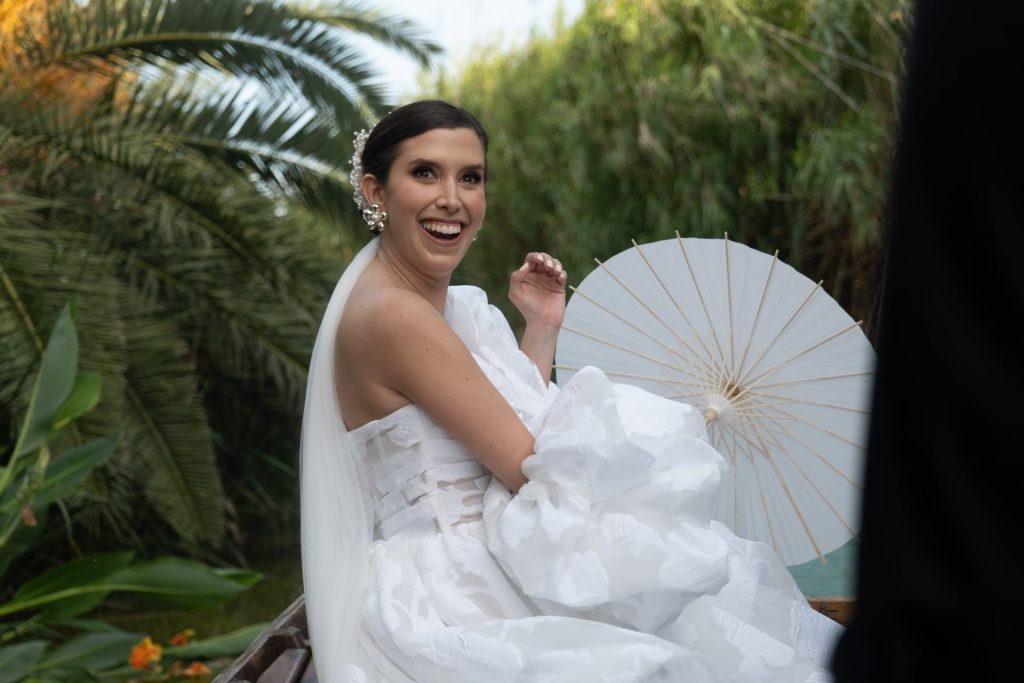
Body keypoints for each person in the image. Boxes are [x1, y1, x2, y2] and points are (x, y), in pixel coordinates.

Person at [300, 100, 841, 683]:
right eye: (424, 173)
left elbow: (485, 434)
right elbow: (527, 467)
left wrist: (541, 328)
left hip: (486, 554)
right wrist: (650, 451)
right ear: (376, 191)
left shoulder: (444, 308)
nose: (452, 199)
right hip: (451, 585)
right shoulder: (395, 316)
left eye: (471, 177)